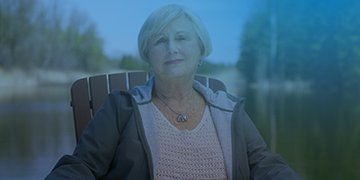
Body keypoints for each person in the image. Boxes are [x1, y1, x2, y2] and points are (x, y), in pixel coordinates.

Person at [46, 4, 302, 180]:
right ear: (148, 55)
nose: (171, 48)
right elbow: (82, 166)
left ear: (201, 49)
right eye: (160, 40)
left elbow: (266, 165)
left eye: (182, 37)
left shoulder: (229, 110)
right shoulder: (120, 107)